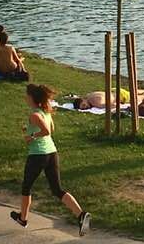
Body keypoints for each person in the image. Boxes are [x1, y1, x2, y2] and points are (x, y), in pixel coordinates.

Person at [11, 84, 91, 236]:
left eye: (26, 95)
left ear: (31, 98)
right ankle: (81, 215)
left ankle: (23, 218)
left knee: (26, 187)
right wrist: (29, 131)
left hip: (37, 155)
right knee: (57, 189)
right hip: (51, 153)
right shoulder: (45, 112)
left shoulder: (34, 114)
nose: (25, 97)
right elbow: (50, 129)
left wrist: (32, 136)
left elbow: (46, 131)